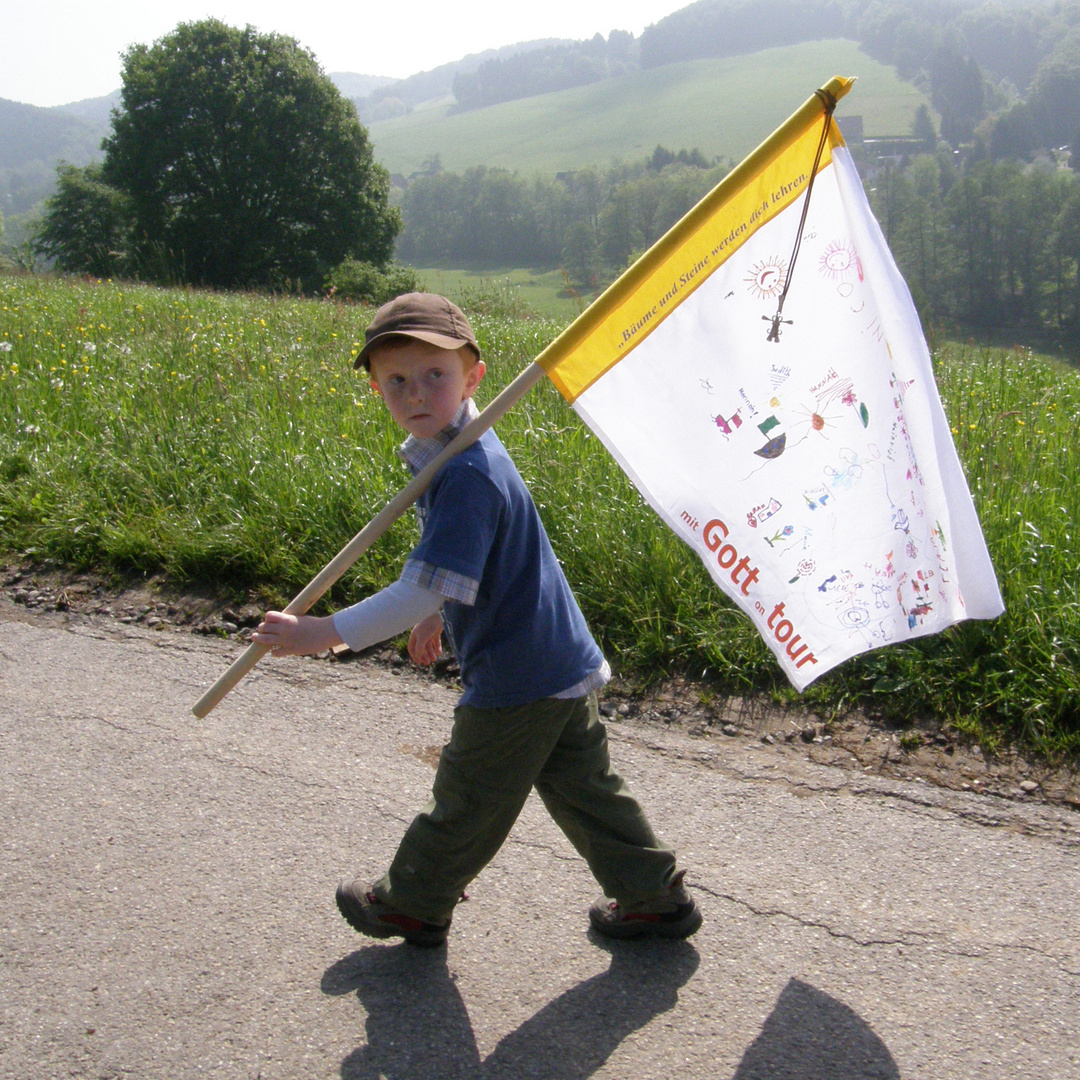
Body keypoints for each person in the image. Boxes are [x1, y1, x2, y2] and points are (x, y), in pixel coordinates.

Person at [253, 293, 701, 948]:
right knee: (584, 788)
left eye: (434, 374)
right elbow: (457, 571)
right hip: (559, 658)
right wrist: (440, 609)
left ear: (473, 376)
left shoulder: (465, 472)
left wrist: (322, 635)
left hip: (519, 675)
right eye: (396, 381)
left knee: (469, 795)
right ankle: (653, 896)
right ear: (376, 387)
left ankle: (413, 900)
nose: (415, 393)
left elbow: (414, 588)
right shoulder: (456, 448)